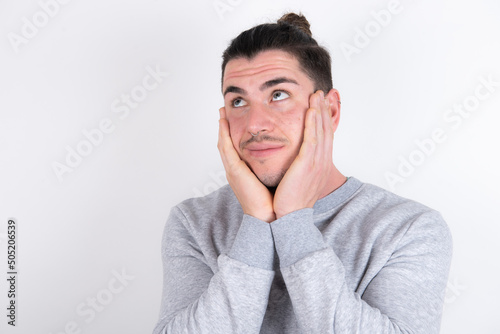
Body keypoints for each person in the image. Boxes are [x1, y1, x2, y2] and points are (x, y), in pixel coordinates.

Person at [153, 12, 452, 334]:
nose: (254, 124)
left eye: (278, 95)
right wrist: (256, 221)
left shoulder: (409, 229)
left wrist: (293, 219)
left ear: (330, 110)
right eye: (238, 101)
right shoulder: (194, 222)